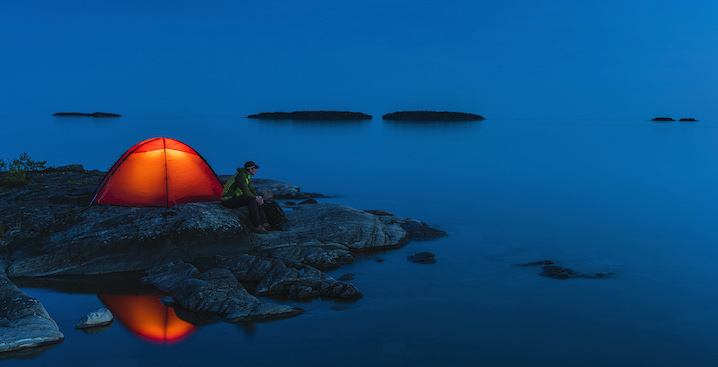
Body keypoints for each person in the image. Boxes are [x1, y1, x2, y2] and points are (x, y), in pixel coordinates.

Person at [221, 161, 270, 233]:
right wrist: (255, 198)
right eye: (255, 168)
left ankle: (265, 223)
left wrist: (258, 197)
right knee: (251, 200)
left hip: (235, 198)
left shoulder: (246, 176)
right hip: (228, 200)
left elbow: (251, 189)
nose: (256, 170)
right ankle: (257, 226)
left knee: (257, 199)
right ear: (250, 169)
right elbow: (246, 191)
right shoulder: (241, 175)